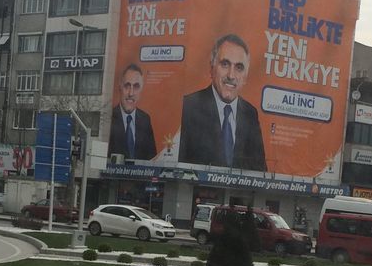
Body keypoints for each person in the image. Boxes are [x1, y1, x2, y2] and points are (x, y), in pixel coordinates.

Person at [178, 33, 267, 172]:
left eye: (239, 67)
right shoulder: (189, 106)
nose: (231, 75)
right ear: (211, 68)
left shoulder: (250, 114)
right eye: (225, 64)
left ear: (245, 77)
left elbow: (260, 171)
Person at [108, 63, 157, 161]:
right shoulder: (108, 117)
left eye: (136, 86)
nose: (131, 93)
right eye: (127, 86)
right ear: (120, 87)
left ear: (141, 90)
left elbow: (152, 158)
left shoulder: (145, 119)